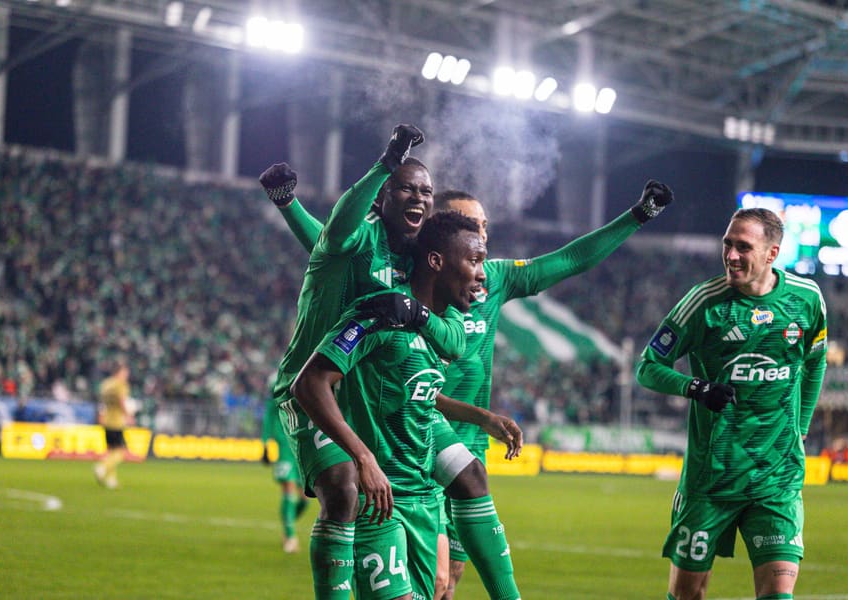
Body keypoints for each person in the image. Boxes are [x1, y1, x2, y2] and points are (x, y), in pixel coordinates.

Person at [272, 178, 674, 599]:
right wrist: (290, 205)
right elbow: (331, 244)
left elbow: (571, 258)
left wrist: (638, 216)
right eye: (467, 225)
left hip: (442, 428)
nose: (480, 235)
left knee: (450, 571)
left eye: (482, 226)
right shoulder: (399, 282)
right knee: (361, 505)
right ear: (434, 247)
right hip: (397, 428)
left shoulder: (487, 284)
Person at [261, 125, 470, 600]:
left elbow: (453, 333)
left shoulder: (417, 259)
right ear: (381, 198)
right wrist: (386, 161)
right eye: (405, 187)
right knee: (343, 486)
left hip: (376, 393)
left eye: (427, 191)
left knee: (459, 473)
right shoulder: (357, 241)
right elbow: (330, 235)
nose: (418, 197)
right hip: (315, 385)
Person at [291, 210, 487, 600]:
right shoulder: (381, 312)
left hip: (424, 499)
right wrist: (363, 458)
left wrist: (485, 418)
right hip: (381, 501)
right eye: (474, 260)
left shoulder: (440, 328)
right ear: (437, 261)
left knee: (437, 590)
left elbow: (424, 396)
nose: (482, 273)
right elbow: (309, 384)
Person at [635, 207, 828, 600]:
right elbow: (647, 366)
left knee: (778, 594)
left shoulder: (806, 300)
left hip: (776, 479)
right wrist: (696, 388)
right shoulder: (704, 302)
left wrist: (801, 425)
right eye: (728, 244)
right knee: (688, 594)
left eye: (744, 247)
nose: (732, 255)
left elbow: (815, 359)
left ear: (772, 254)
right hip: (712, 478)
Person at [261, 382, 309, 553]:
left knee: (305, 499)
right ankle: (290, 536)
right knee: (288, 489)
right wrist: (265, 444)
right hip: (284, 449)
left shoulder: (307, 382)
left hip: (302, 446)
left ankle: (287, 525)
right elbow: (269, 417)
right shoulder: (277, 387)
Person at [94, 360, 132, 490]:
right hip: (116, 422)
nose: (127, 374)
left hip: (106, 420)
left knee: (111, 451)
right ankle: (102, 467)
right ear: (119, 372)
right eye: (125, 372)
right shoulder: (120, 385)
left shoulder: (105, 384)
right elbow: (122, 402)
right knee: (120, 452)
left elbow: (101, 403)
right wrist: (128, 416)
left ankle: (111, 479)